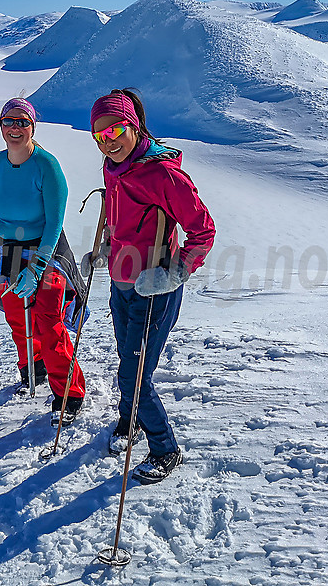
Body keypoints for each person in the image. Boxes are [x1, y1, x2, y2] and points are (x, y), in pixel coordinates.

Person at [88, 89, 215, 483]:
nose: (109, 140)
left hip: (155, 290)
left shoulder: (163, 174)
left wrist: (175, 273)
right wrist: (107, 248)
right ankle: (130, 421)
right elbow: (121, 219)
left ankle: (164, 448)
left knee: (135, 375)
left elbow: (203, 231)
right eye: (100, 135)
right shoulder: (113, 169)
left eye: (116, 130)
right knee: (129, 361)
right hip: (121, 283)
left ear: (134, 125)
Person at [0, 98, 87, 426]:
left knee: (48, 320)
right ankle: (33, 367)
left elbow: (54, 225)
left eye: (22, 122)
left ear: (33, 127)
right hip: (8, 251)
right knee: (16, 316)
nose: (15, 128)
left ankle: (69, 392)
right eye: (8, 122)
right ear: (0, 126)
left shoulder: (47, 166)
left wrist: (38, 267)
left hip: (48, 252)